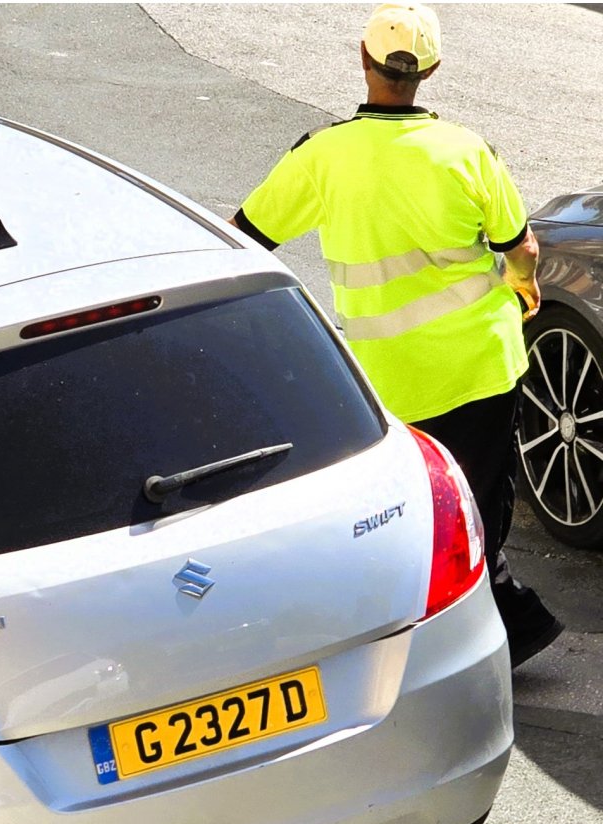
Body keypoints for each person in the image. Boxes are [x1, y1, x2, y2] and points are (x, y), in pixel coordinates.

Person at [229, 2, 562, 668]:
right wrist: (525, 289)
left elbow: (244, 240)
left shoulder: (322, 156)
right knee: (475, 505)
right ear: (432, 69)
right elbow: (518, 248)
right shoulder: (466, 151)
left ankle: (481, 632)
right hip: (480, 368)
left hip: (388, 379)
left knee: (414, 510)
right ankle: (497, 631)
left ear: (364, 59)